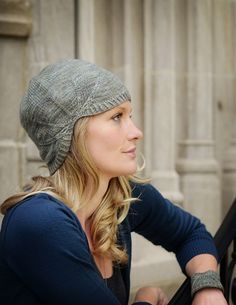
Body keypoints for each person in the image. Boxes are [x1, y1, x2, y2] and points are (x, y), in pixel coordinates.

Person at [0, 59, 227, 305]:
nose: (136, 131)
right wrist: (147, 298)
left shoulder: (120, 195)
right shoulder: (39, 222)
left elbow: (191, 233)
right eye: (117, 117)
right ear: (72, 134)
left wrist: (207, 285)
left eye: (130, 115)